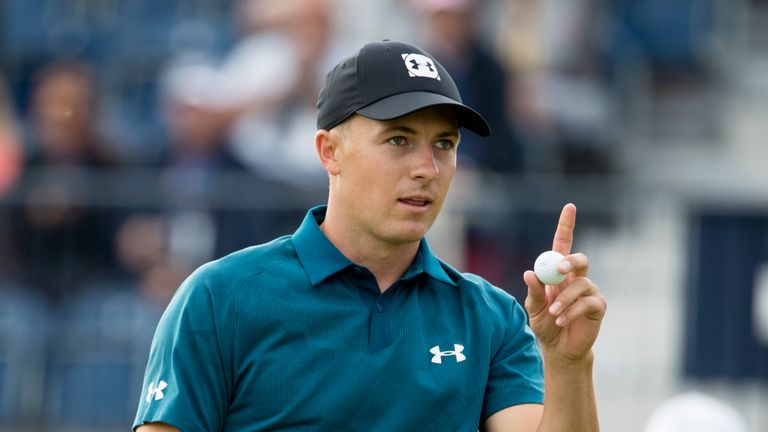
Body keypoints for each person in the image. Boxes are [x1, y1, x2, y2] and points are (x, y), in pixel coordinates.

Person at [133, 40, 606, 431]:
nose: (428, 169)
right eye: (399, 140)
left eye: (444, 144)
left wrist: (568, 363)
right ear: (329, 152)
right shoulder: (220, 297)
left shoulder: (492, 318)